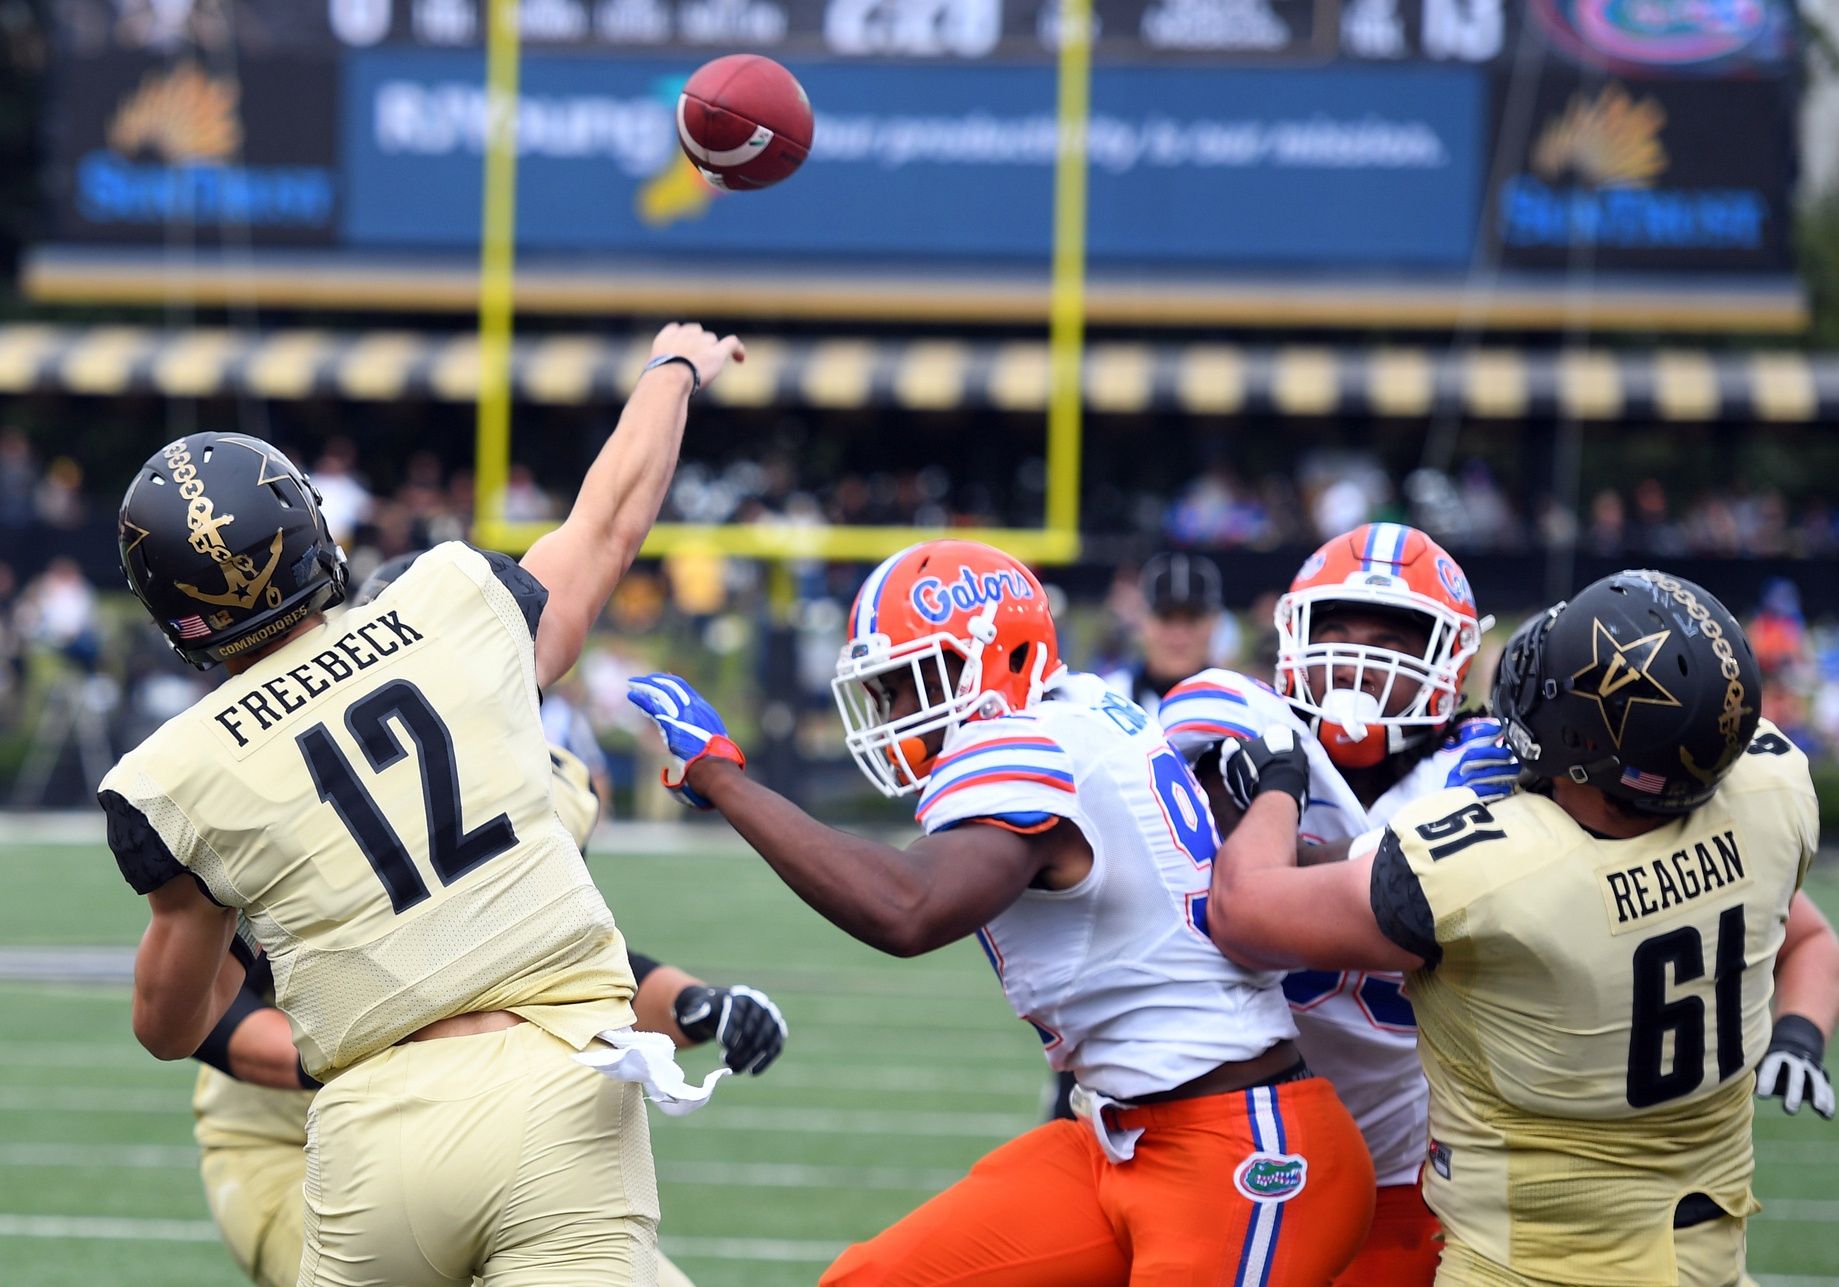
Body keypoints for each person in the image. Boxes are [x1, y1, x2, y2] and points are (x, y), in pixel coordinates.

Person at [100, 322, 744, 1287]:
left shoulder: (180, 771)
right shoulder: (450, 600)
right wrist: (673, 372)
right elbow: (607, 522)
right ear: (311, 530)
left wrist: (244, 900)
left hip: (377, 1135)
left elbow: (168, 1025)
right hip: (557, 1084)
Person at [626, 539, 1376, 1287]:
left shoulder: (1024, 740)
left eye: (905, 682)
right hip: (1119, 1135)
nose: (889, 711)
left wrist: (723, 779)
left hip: (1239, 1146)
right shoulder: (1089, 708)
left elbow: (906, 908)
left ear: (995, 658)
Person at [1205, 570, 1839, 1287]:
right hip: (1706, 1261)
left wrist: (1278, 782)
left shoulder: (1492, 873)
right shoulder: (1770, 793)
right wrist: (1796, 1036)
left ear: (1579, 744)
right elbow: (1808, 931)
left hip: (1525, 1262)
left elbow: (1241, 908)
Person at [184, 557, 785, 1287]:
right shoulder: (287, 787)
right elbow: (209, 1012)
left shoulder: (529, 771)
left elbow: (546, 955)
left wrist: (697, 1005)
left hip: (462, 1103)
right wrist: (387, 1052)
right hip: (293, 1136)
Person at [1158, 523, 1513, 1287]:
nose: (1356, 655)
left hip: (1416, 1172)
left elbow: (1395, 879)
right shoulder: (1238, 730)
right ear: (1293, 635)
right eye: (1336, 629)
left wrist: (1279, 844)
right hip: (1240, 1146)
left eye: (1391, 635)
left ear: (1450, 657)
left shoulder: (1485, 768)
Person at [1101, 551, 1228, 720]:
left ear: (1214, 624)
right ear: (1143, 622)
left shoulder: (1242, 706)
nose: (1179, 634)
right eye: (1166, 618)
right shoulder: (1106, 699)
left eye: (1192, 619)